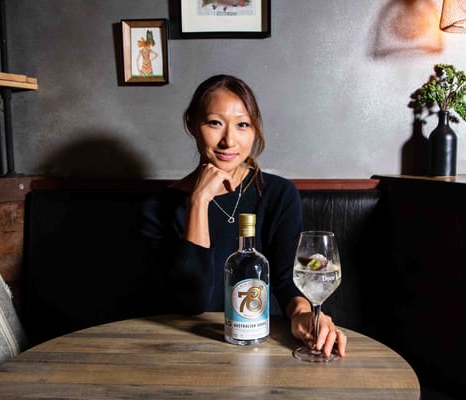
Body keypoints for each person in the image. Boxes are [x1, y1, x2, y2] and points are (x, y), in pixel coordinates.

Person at [141, 74, 346, 358]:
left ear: (254, 130)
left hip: (262, 343)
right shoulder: (158, 206)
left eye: (242, 125)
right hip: (184, 346)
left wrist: (303, 314)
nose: (228, 141)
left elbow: (286, 281)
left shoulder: (278, 194)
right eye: (214, 123)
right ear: (191, 124)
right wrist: (199, 201)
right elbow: (191, 302)